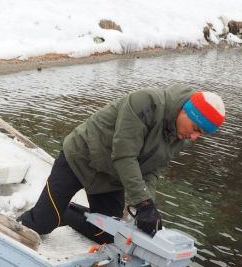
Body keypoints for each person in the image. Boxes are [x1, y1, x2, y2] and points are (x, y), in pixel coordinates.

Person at [18, 85, 225, 243]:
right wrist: (142, 202)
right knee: (40, 225)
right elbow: (124, 155)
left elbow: (152, 171)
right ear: (186, 112)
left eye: (200, 134)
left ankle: (61, 211)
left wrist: (148, 207)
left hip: (110, 179)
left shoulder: (180, 137)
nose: (194, 137)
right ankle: (41, 216)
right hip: (80, 159)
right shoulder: (145, 102)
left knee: (107, 235)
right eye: (196, 129)